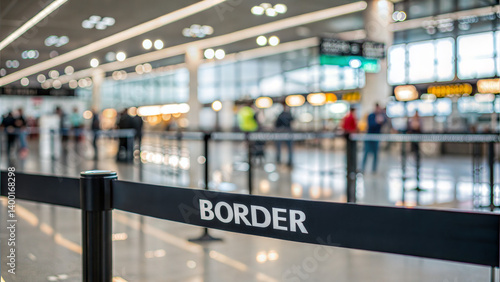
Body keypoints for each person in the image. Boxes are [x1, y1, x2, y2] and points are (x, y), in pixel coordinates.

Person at [362, 103, 386, 173]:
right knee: (366, 153)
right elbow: (371, 125)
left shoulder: (381, 116)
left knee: (376, 154)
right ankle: (363, 168)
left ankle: (374, 169)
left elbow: (385, 123)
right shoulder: (371, 115)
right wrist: (377, 122)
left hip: (376, 138)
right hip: (369, 137)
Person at [275, 102, 294, 166]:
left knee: (281, 147)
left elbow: (276, 124)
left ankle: (279, 159)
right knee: (289, 147)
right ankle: (289, 161)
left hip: (282, 132)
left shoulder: (281, 115)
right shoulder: (289, 114)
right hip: (287, 132)